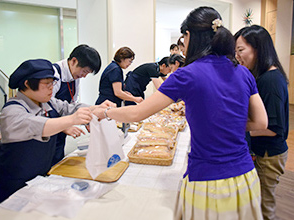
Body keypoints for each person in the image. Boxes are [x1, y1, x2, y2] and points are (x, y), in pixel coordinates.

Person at [94, 7, 268, 220]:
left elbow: (137, 114)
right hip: (246, 178)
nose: (183, 45)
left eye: (183, 38)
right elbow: (261, 122)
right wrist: (224, 123)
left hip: (208, 182)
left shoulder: (187, 74)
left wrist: (108, 112)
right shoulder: (243, 72)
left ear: (190, 36)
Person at [0, 59, 114, 205]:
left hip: (39, 176)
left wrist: (97, 108)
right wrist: (72, 120)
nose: (52, 88)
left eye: (53, 83)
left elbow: (70, 108)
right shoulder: (12, 110)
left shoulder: (48, 103)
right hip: (14, 181)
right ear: (27, 83)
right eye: (47, 84)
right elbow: (39, 126)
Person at [235, 25, 289, 220]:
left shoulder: (271, 80)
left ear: (258, 48)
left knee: (264, 207)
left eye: (241, 50)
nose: (237, 56)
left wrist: (236, 127)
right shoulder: (261, 76)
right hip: (262, 151)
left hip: (269, 154)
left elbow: (274, 129)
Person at [52, 44, 102, 165]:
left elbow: (72, 104)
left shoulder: (75, 77)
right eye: (84, 71)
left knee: (58, 159)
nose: (84, 76)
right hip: (47, 127)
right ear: (74, 61)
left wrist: (86, 119)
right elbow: (46, 107)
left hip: (59, 129)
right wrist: (64, 126)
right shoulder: (54, 73)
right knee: (47, 162)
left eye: (88, 73)